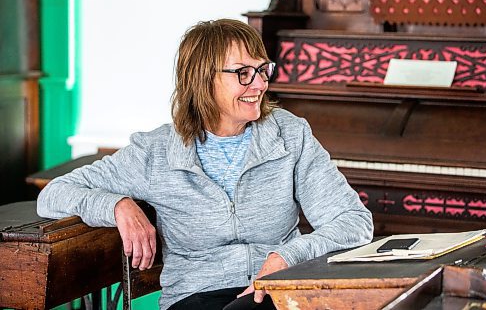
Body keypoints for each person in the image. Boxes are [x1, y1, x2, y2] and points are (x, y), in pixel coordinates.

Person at [37, 19, 373, 310]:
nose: (259, 84)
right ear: (203, 80)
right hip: (195, 298)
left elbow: (354, 222)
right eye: (243, 73)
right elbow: (53, 193)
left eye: (261, 69)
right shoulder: (154, 151)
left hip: (278, 292)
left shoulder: (290, 135)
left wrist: (286, 257)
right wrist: (117, 205)